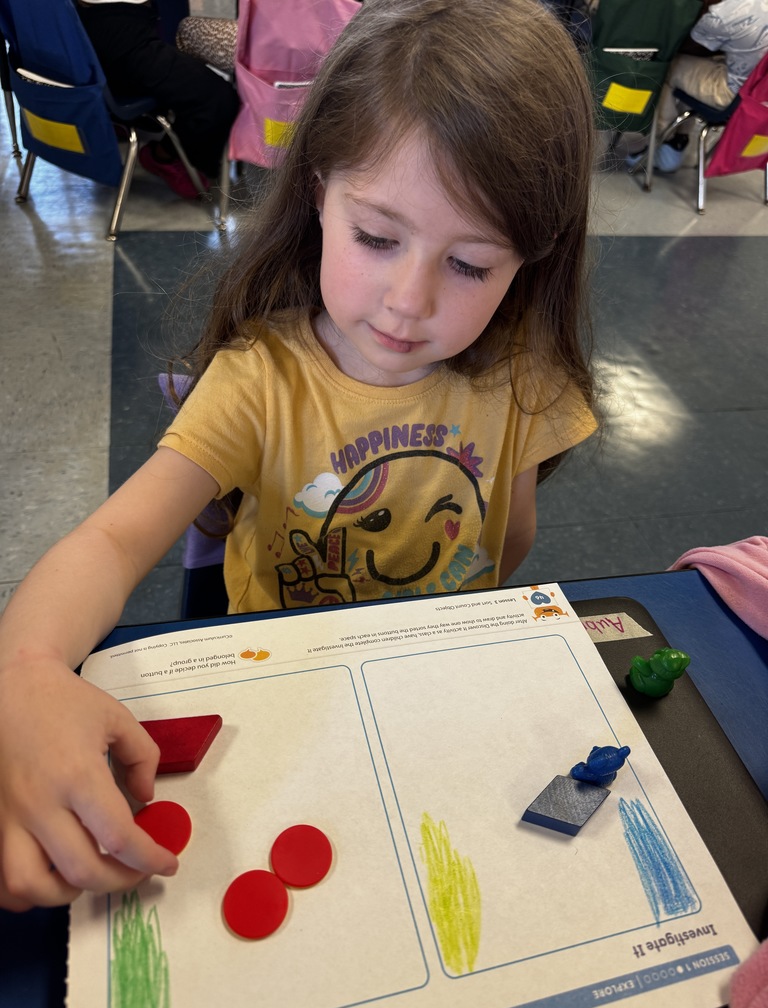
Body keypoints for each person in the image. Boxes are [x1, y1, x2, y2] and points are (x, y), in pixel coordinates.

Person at [0, 0, 599, 911]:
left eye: (471, 264)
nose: (408, 301)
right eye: (377, 237)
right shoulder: (257, 380)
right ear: (319, 187)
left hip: (434, 701)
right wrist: (27, 668)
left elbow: (510, 535)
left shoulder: (527, 373)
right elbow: (116, 541)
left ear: (534, 258)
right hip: (279, 708)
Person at [76, 0, 240, 197]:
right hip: (117, 34)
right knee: (217, 98)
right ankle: (165, 157)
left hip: (100, 28)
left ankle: (142, 128)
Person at [632, 0, 768, 172]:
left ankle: (665, 140)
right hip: (761, 100)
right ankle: (679, 138)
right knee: (701, 65)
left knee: (669, 65)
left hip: (734, 95)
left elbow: (688, 47)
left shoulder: (727, 12)